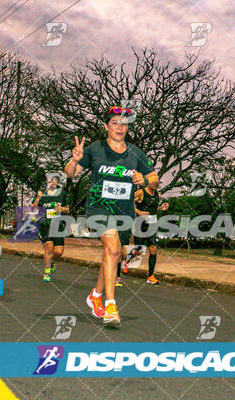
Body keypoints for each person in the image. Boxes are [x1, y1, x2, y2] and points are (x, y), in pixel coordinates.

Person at [65, 106, 158, 326]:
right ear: (106, 126)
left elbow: (153, 177)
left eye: (124, 124)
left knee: (113, 253)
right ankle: (110, 305)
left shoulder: (135, 153)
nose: (120, 127)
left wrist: (143, 181)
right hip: (98, 209)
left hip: (123, 213)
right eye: (115, 122)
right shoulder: (95, 149)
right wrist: (75, 160)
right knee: (114, 248)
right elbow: (70, 174)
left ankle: (95, 296)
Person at [129, 183, 169, 284]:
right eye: (153, 182)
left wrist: (161, 208)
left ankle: (151, 276)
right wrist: (139, 212)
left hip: (151, 225)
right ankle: (126, 260)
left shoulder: (158, 195)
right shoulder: (140, 192)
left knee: (153, 249)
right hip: (140, 225)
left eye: (157, 183)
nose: (155, 185)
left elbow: (154, 208)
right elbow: (127, 203)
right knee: (139, 251)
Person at [32, 176, 69, 282]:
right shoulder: (41, 193)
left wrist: (62, 209)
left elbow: (68, 208)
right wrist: (38, 198)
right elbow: (33, 208)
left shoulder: (62, 194)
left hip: (58, 225)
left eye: (55, 181)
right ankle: (47, 272)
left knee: (58, 252)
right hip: (45, 224)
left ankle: (51, 262)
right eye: (51, 181)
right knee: (49, 247)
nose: (53, 183)